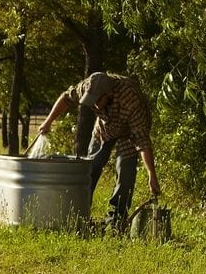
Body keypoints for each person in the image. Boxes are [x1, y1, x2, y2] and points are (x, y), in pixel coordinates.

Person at [38, 71, 160, 230]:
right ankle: (79, 215)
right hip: (104, 127)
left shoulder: (131, 100)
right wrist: (48, 121)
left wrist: (151, 173)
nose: (93, 104)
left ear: (108, 94)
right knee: (91, 167)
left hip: (129, 132)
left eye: (96, 100)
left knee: (125, 174)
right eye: (91, 99)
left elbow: (142, 141)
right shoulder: (88, 87)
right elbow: (66, 98)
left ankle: (115, 221)